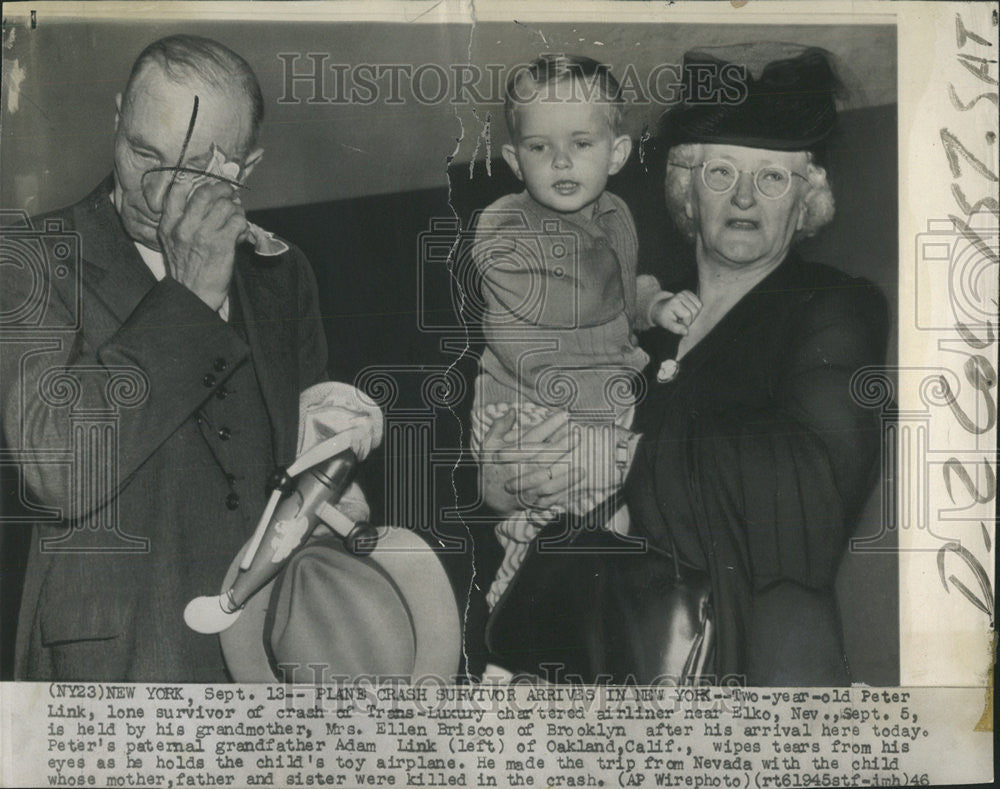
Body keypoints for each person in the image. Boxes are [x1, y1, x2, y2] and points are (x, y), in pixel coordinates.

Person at [478, 43, 889, 685]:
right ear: (687, 191)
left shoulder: (833, 307)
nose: (746, 197)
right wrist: (514, 475)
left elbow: (815, 483)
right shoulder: (642, 333)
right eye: (721, 173)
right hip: (620, 677)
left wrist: (619, 453)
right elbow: (568, 491)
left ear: (803, 200)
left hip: (758, 679)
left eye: (772, 177)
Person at [1, 35, 330, 681]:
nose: (155, 192)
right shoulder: (30, 259)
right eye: (141, 151)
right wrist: (191, 295)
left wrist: (340, 458)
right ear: (119, 115)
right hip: (113, 658)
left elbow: (298, 469)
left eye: (192, 170)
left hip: (264, 651)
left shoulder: (282, 273)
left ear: (246, 165)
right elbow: (59, 467)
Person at [471, 54, 700, 607]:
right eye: (539, 148)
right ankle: (513, 610)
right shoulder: (503, 225)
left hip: (599, 399)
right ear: (514, 160)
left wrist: (654, 302)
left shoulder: (616, 214)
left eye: (582, 143)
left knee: (614, 522)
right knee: (548, 512)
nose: (561, 161)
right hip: (524, 403)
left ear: (616, 153)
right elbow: (577, 303)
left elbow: (623, 288)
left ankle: (577, 613)